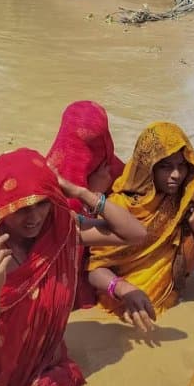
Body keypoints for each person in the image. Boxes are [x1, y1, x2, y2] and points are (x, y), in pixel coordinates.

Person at [0, 148, 145, 386]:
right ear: (1, 206)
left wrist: (80, 193)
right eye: (22, 209)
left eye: (42, 202)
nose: (35, 217)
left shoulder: (61, 229)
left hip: (48, 368)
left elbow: (136, 234)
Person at [87, 122, 194, 332]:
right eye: (165, 166)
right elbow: (94, 269)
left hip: (173, 304)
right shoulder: (119, 207)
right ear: (146, 166)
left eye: (182, 165)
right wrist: (122, 289)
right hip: (121, 310)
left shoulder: (192, 204)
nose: (176, 175)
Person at [45, 100, 126, 308]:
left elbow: (135, 228)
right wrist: (93, 194)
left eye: (96, 144)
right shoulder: (50, 180)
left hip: (104, 265)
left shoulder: (112, 169)